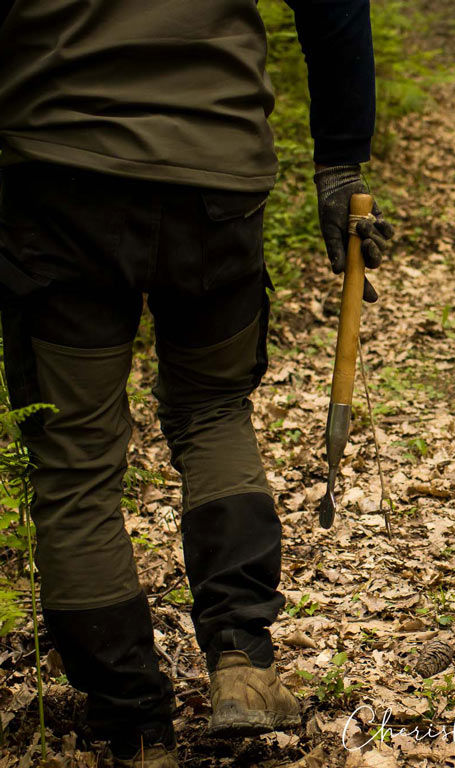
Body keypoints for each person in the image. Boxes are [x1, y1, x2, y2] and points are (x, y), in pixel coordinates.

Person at [0, 1, 393, 766]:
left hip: (56, 174)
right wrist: (339, 161)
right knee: (213, 409)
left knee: (75, 458)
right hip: (213, 172)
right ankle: (243, 662)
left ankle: (132, 723)